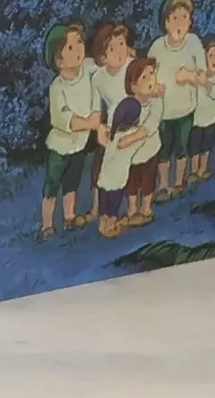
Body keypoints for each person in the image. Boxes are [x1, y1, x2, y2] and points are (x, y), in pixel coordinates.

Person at [39, 20, 100, 240]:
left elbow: (104, 66)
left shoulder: (88, 69)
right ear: (59, 60)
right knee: (52, 184)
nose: (79, 50)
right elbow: (64, 119)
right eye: (71, 47)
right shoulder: (57, 88)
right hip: (60, 146)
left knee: (72, 182)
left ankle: (69, 216)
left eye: (80, 43)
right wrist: (89, 123)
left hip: (79, 145)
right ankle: (47, 225)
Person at [147, 0, 208, 200]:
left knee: (181, 146)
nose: (180, 24)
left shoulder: (194, 43)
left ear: (190, 22)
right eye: (175, 18)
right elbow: (147, 74)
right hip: (163, 111)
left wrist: (189, 75)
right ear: (166, 23)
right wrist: (154, 87)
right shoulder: (157, 47)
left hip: (185, 109)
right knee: (164, 149)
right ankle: (164, 185)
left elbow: (203, 76)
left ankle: (179, 182)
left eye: (184, 18)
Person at [121, 55, 165, 227]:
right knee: (131, 183)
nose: (150, 80)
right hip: (132, 155)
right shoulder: (128, 104)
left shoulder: (156, 103)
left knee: (148, 181)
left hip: (150, 150)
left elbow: (150, 127)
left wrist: (130, 138)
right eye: (144, 77)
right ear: (133, 86)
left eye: (152, 74)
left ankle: (146, 208)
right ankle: (132, 210)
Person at [94, 91, 144, 238]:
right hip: (118, 179)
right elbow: (141, 135)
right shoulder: (132, 136)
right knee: (113, 208)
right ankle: (110, 227)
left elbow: (104, 141)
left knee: (104, 207)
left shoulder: (111, 134)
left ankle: (102, 226)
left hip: (104, 178)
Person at [190, 36, 215, 183]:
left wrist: (206, 83)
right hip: (196, 119)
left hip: (210, 118)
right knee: (194, 146)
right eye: (211, 55)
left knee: (206, 145)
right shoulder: (198, 72)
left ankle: (203, 169)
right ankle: (193, 172)